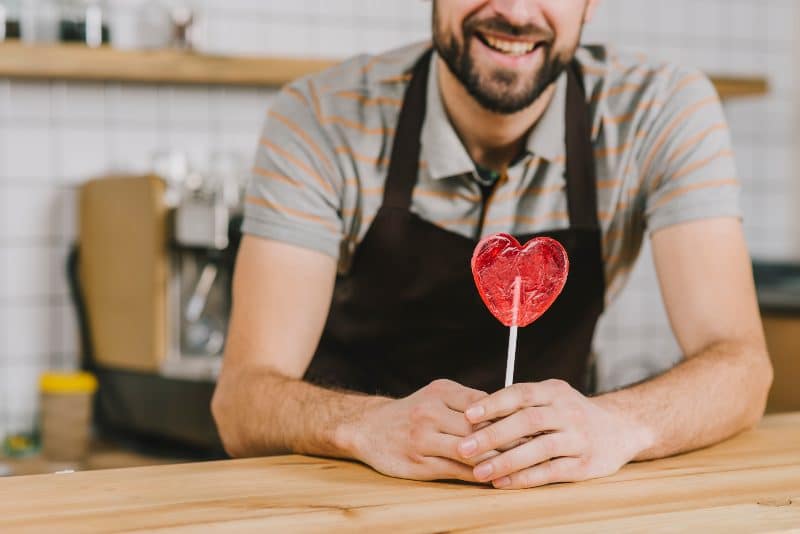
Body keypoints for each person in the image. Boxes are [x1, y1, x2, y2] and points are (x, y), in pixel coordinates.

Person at [212, 0, 772, 490]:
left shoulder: (661, 111)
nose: (517, 11)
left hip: (552, 494)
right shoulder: (320, 117)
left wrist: (615, 424)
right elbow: (241, 401)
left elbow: (743, 367)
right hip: (344, 490)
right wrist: (361, 426)